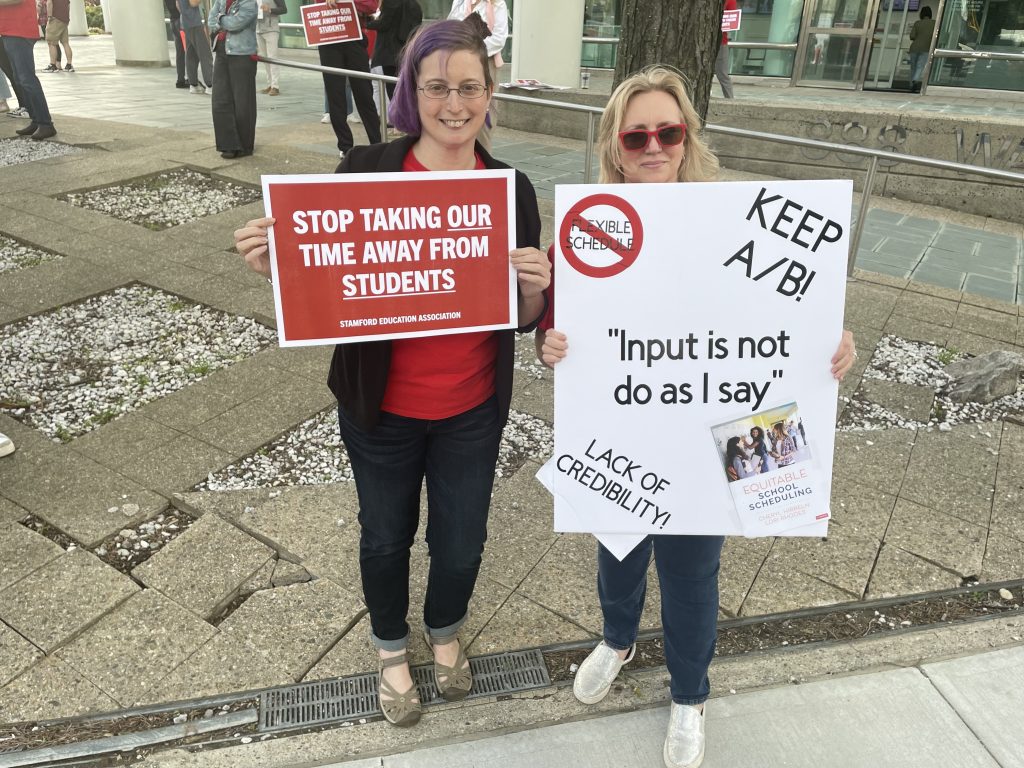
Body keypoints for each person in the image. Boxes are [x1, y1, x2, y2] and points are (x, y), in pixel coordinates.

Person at [536, 66, 857, 768]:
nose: (655, 146)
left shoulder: (731, 220)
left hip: (711, 430)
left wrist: (830, 346)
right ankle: (618, 639)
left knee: (691, 571)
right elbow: (566, 334)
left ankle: (688, 695)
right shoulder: (586, 231)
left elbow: (782, 318)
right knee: (618, 551)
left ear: (687, 138)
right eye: (638, 134)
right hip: (626, 427)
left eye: (669, 131)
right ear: (616, 146)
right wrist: (550, 344)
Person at [234, 18, 550, 728]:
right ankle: (389, 649)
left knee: (463, 539)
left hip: (471, 407)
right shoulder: (367, 169)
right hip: (381, 409)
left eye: (469, 87)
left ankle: (444, 632)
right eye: (437, 87)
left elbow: (524, 317)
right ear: (413, 92)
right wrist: (277, 270)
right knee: (384, 535)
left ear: (489, 92)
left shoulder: (510, 187)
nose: (454, 103)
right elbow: (327, 274)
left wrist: (535, 285)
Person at [318, 0, 381, 160]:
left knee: (364, 93)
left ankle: (377, 143)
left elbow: (372, 5)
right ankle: (345, 146)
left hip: (355, 37)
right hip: (329, 39)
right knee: (335, 95)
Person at [447, 0, 506, 151]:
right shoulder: (460, 2)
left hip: (486, 62)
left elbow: (499, 39)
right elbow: (451, 26)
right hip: (459, 63)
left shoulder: (497, 4)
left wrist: (471, 51)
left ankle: (484, 158)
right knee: (459, 108)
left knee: (484, 113)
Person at [1, 0, 57, 140]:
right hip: (11, 30)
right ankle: (37, 120)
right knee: (19, 79)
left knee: (26, 79)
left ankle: (45, 123)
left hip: (19, 30)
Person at [209, 0, 258, 159]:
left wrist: (221, 19)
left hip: (242, 55)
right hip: (222, 52)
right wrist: (223, 20)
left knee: (243, 102)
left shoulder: (249, 2)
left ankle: (244, 146)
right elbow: (210, 20)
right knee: (220, 99)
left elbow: (237, 24)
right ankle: (228, 145)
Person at [179, 0, 214, 94]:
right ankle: (210, 84)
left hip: (186, 21)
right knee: (205, 54)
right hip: (194, 22)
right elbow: (193, 2)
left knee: (191, 54)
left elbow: (177, 5)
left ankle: (193, 84)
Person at [255, 0, 286, 95]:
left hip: (271, 29)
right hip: (258, 29)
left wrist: (270, 9)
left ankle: (275, 86)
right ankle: (269, 85)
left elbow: (284, 9)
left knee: (273, 58)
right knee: (265, 59)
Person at [908, 6, 934, 93]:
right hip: (926, 48)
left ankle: (911, 85)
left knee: (913, 67)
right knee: (920, 66)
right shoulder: (934, 23)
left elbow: (912, 36)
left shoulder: (917, 23)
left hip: (914, 47)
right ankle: (915, 80)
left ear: (921, 14)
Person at [44, 0, 72, 72]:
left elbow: (49, 2)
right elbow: (68, 5)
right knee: (65, 43)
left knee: (51, 43)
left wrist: (49, 16)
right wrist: (67, 19)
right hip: (64, 20)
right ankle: (69, 65)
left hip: (55, 19)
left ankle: (53, 65)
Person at [165, 0, 188, 88]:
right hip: (180, 22)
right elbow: (180, 6)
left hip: (173, 22)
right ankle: (192, 78)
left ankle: (180, 79)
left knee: (180, 52)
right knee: (188, 50)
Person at [715, 0, 736, 99]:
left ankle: (730, 99)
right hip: (704, 41)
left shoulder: (730, 1)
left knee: (722, 74)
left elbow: (732, 21)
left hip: (720, 42)